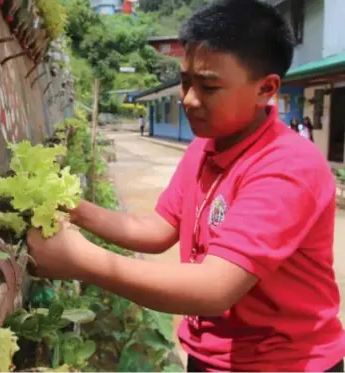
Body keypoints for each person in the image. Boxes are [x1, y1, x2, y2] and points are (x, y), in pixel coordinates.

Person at [26, 0, 345, 371]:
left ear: (266, 88)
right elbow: (161, 228)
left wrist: (81, 260)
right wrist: (76, 210)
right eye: (185, 80)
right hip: (208, 355)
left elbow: (214, 289)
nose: (189, 99)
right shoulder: (206, 146)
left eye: (209, 86)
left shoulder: (288, 166)